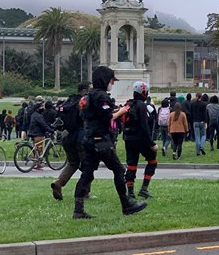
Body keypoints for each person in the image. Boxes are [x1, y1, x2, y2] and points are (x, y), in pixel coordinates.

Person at [72, 66, 146, 219]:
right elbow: (108, 118)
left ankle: (78, 210)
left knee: (86, 174)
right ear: (105, 80)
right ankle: (126, 204)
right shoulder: (101, 96)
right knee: (118, 170)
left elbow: (93, 115)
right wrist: (123, 110)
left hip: (88, 139)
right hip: (101, 141)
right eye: (112, 80)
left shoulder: (87, 96)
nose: (112, 83)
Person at [51, 82, 91, 201]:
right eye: (89, 89)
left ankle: (59, 183)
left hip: (67, 137)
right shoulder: (83, 102)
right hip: (81, 137)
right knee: (87, 165)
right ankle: (85, 192)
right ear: (84, 90)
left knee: (72, 163)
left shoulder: (69, 101)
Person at [123, 81, 158, 199]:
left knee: (131, 164)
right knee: (152, 161)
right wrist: (151, 143)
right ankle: (144, 188)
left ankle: (130, 192)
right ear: (144, 92)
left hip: (128, 138)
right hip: (140, 139)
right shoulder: (141, 106)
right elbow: (144, 126)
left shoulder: (128, 104)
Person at [27, 100, 54, 169]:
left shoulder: (34, 115)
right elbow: (43, 125)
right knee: (40, 149)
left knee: (36, 149)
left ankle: (36, 163)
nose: (43, 108)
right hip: (38, 133)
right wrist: (50, 130)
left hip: (32, 133)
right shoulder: (39, 116)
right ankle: (38, 164)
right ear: (38, 108)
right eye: (41, 107)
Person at [190, 92, 207, 156]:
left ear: (196, 96)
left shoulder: (192, 104)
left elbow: (191, 114)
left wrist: (191, 122)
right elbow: (205, 114)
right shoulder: (204, 104)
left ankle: (198, 152)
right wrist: (205, 122)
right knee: (203, 135)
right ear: (201, 97)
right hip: (202, 121)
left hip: (195, 122)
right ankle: (202, 146)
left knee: (197, 137)